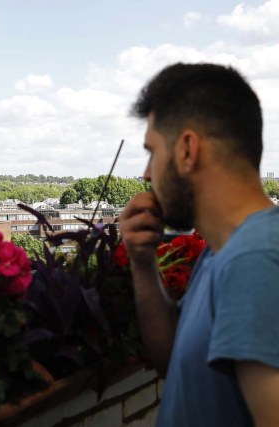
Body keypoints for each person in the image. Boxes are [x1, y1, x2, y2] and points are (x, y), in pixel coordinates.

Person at [119, 62, 279, 426]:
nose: (146, 173)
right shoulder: (224, 251)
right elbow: (175, 360)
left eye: (153, 151)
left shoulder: (254, 261)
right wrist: (142, 262)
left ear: (188, 150)